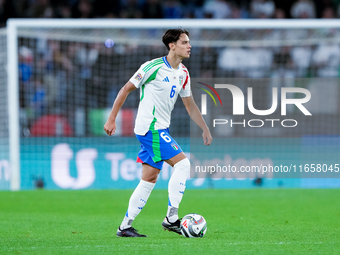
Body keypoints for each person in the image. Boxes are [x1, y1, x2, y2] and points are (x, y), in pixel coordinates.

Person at [104, 28, 212, 237]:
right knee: (183, 164)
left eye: (189, 42)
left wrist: (204, 127)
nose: (189, 46)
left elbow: (190, 105)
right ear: (172, 45)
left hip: (159, 128)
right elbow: (126, 89)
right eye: (184, 42)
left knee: (149, 179)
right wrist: (111, 118)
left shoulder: (183, 73)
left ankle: (125, 226)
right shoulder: (153, 67)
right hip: (150, 128)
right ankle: (172, 218)